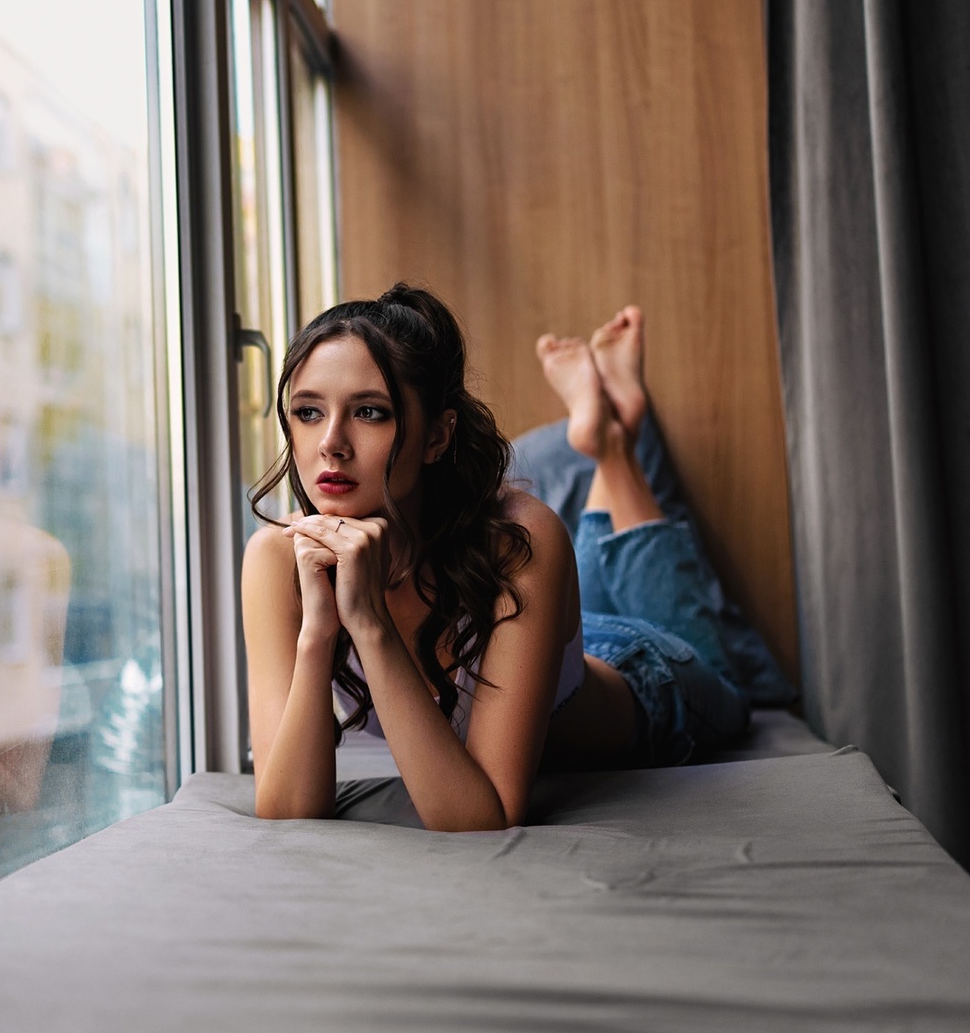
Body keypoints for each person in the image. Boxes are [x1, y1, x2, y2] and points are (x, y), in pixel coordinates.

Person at [241, 284, 752, 831]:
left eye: (370, 412)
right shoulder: (278, 558)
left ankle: (613, 447)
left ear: (438, 436)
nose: (331, 443)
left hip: (643, 678)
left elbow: (482, 816)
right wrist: (319, 631)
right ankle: (605, 434)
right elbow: (288, 809)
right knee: (583, 595)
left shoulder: (519, 540)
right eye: (308, 411)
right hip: (538, 637)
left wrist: (367, 621)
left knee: (727, 679)